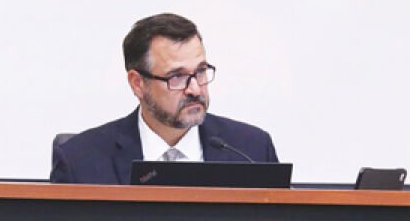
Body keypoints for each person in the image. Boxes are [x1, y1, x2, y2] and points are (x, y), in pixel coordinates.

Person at [50, 13, 278, 184]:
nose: (195, 89)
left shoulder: (252, 151)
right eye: (177, 77)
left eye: (200, 72)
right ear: (137, 83)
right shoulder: (79, 163)